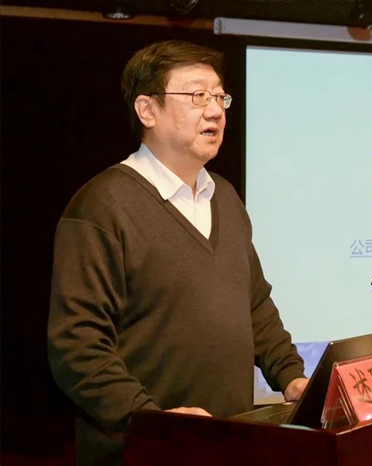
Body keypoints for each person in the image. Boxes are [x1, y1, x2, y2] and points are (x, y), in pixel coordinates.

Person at [47, 40, 308, 466]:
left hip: (230, 440)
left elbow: (255, 304)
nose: (215, 111)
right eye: (197, 96)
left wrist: (292, 377)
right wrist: (152, 421)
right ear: (147, 110)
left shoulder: (224, 197)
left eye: (219, 97)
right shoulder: (103, 205)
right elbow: (76, 345)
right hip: (142, 451)